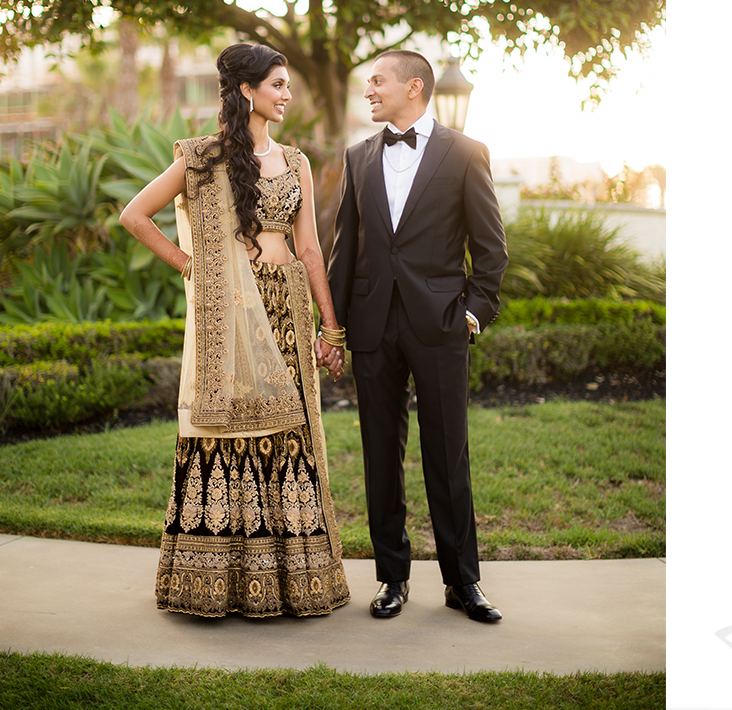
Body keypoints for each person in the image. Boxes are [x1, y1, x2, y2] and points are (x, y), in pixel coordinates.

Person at [120, 42, 351, 618]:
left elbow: (310, 250)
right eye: (277, 84)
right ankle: (216, 581)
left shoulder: (294, 162)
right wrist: (193, 269)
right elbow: (134, 215)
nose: (287, 95)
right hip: (229, 316)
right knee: (226, 437)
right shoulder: (203, 157)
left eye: (288, 85)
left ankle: (291, 582)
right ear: (247, 90)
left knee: (289, 440)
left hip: (289, 312)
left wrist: (331, 327)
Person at [327, 50, 507, 623]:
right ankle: (391, 578)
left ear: (414, 87)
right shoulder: (357, 158)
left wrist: (472, 314)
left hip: (440, 326)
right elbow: (343, 249)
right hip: (373, 327)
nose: (369, 92)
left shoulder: (466, 154)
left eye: (377, 82)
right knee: (382, 454)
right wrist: (334, 327)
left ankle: (463, 582)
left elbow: (491, 248)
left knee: (447, 454)